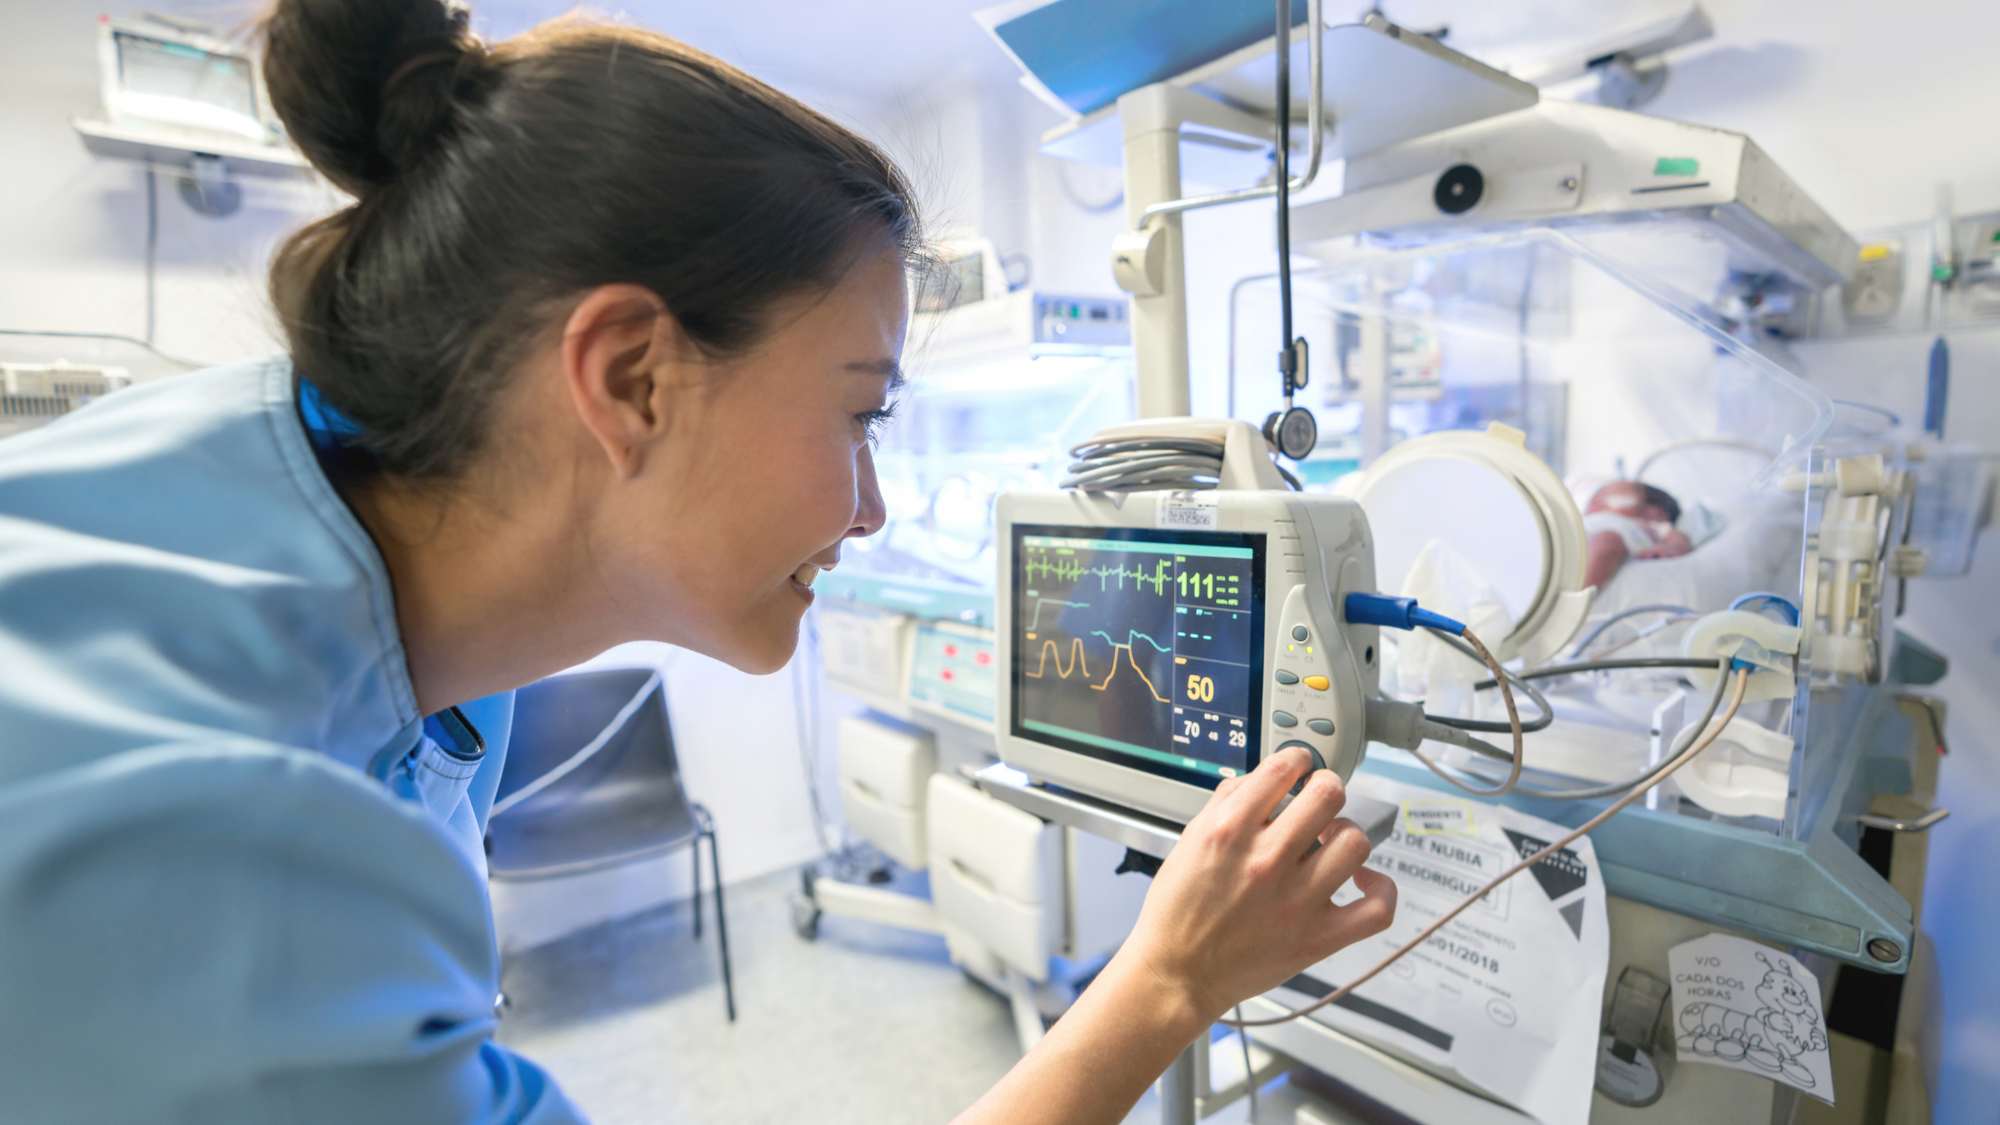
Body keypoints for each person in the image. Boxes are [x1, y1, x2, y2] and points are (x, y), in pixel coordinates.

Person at [0, 2, 1396, 1121]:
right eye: (860, 411)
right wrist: (1164, 983)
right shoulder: (226, 867)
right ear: (632, 378)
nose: (871, 511)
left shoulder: (252, 503)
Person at [1582, 480, 1694, 590]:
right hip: (1578, 539)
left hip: (1613, 537)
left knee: (1606, 541)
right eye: (1600, 492)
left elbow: (1677, 536)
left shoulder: (1649, 525)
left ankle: (1576, 594)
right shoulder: (1587, 520)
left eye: (1615, 491)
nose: (1600, 496)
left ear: (1657, 514)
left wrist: (1672, 547)